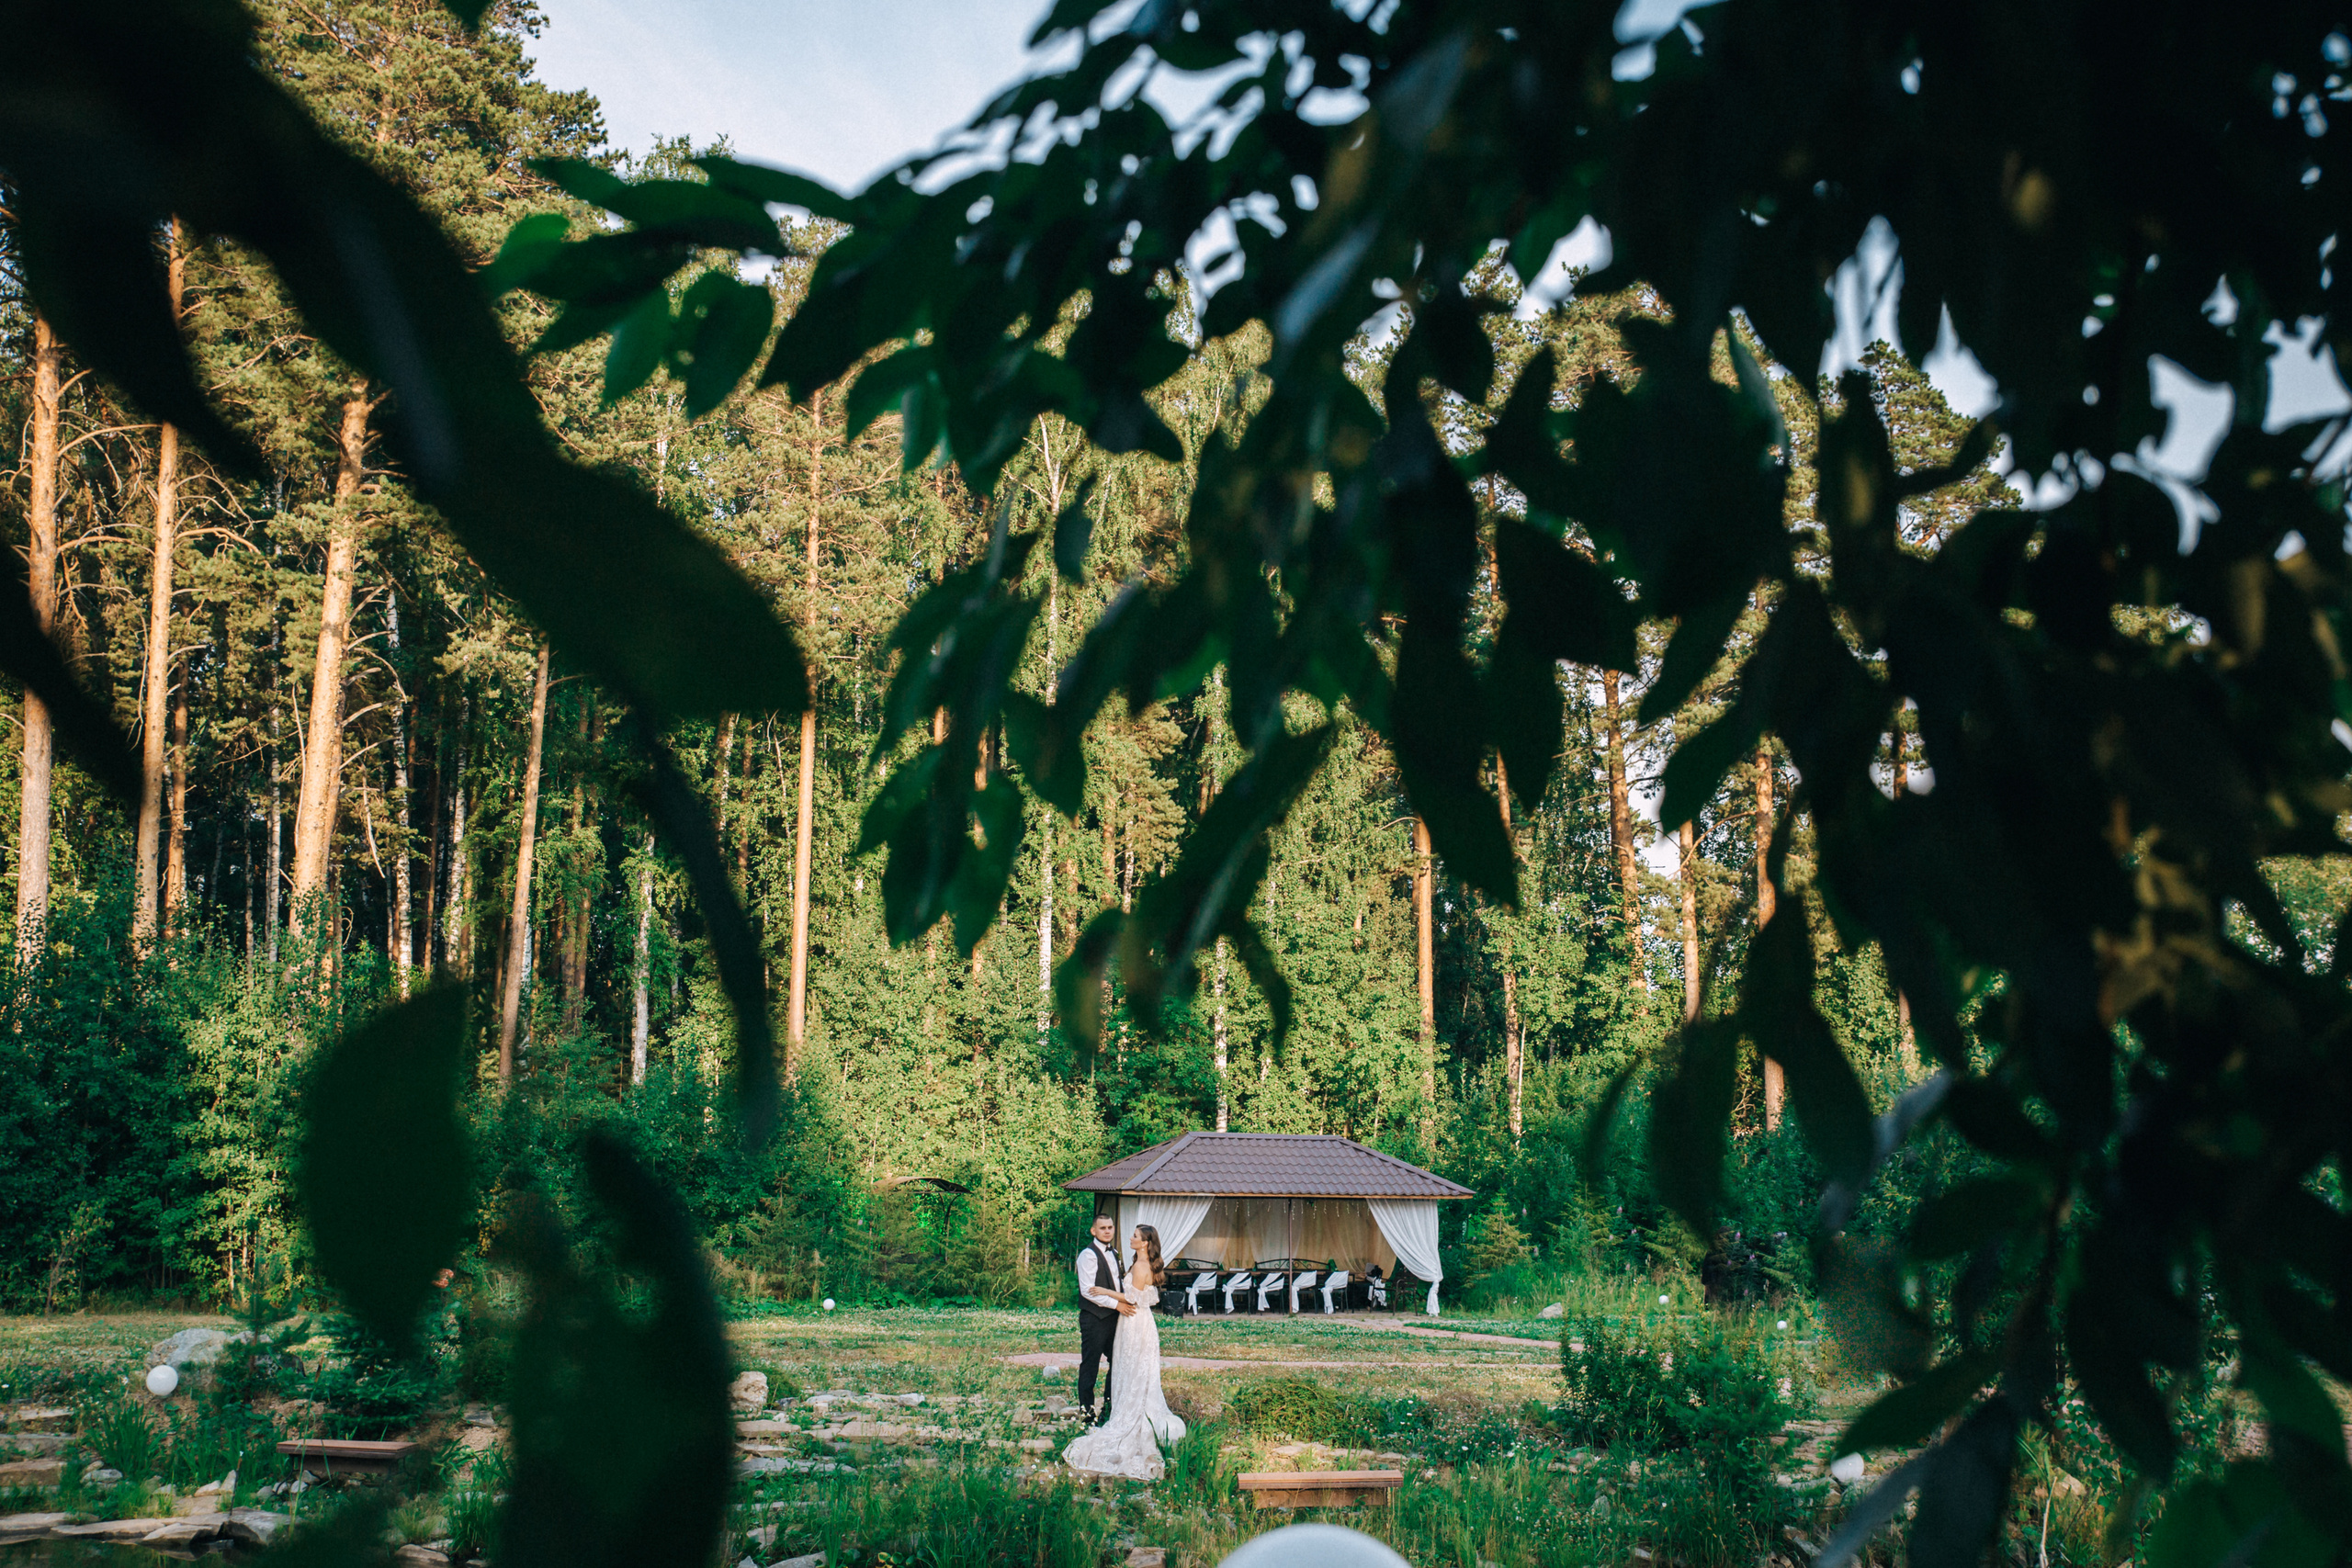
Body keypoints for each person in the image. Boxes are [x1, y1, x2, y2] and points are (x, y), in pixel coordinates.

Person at [1064, 1224, 1187, 1481]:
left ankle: (1118, 1412)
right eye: (1104, 1227)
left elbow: (1130, 1298)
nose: (1126, 1236)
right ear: (1093, 1230)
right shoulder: (1124, 1259)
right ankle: (1095, 1412)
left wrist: (1106, 1291)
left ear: (1144, 1243)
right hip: (1127, 1321)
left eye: (1135, 1236)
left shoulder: (1139, 1265)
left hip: (1134, 1322)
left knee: (1131, 1369)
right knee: (1117, 1367)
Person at [1074, 1213, 1131, 1424]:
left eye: (1110, 1227)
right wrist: (1117, 1304)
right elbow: (1088, 1291)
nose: (1107, 1231)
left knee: (1118, 1361)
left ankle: (1108, 1409)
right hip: (1094, 1317)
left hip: (1115, 1318)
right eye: (1102, 1228)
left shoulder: (1114, 1252)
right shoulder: (1088, 1255)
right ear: (1093, 1231)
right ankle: (1087, 1413)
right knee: (1091, 1364)